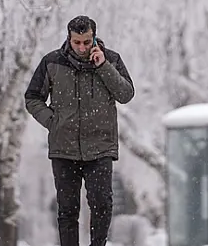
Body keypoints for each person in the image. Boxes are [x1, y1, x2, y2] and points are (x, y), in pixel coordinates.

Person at [25, 15, 135, 246]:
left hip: (100, 148)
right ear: (69, 38)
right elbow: (33, 98)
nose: (82, 47)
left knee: (102, 204)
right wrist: (53, 122)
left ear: (93, 38)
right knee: (67, 210)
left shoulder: (112, 60)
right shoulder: (52, 62)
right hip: (64, 149)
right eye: (77, 42)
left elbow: (126, 94)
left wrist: (103, 66)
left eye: (86, 42)